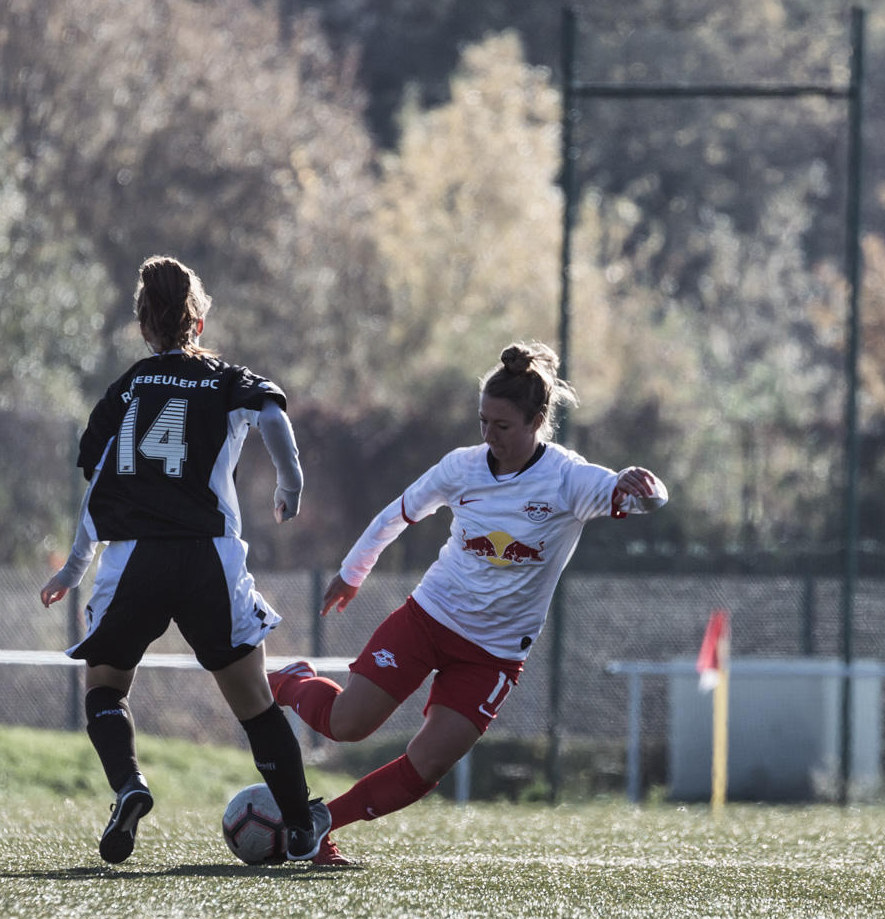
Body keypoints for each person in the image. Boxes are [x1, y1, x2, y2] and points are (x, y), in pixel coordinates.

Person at [269, 342, 665, 865]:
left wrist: (645, 485)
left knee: (428, 764)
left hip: (493, 654)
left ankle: (319, 825)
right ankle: (286, 681)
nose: (489, 435)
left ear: (537, 421)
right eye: (483, 421)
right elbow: (397, 514)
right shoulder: (463, 467)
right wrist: (352, 573)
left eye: (502, 425)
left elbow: (646, 499)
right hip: (429, 618)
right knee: (347, 725)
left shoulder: (569, 479)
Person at [40, 257, 329, 866]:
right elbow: (272, 413)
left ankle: (129, 785)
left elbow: (98, 487)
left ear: (144, 326)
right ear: (198, 320)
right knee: (255, 704)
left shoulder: (126, 389)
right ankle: (302, 826)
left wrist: (74, 566)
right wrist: (291, 479)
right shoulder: (223, 377)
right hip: (208, 558)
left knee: (105, 690)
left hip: (133, 558)